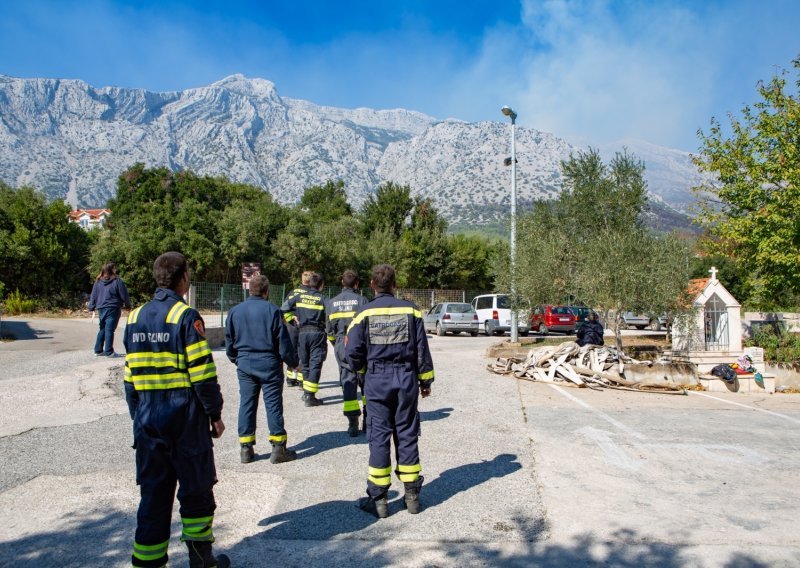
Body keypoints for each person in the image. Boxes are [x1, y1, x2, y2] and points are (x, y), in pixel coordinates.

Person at [123, 252, 229, 568]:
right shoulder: (185, 316)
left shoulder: (134, 317)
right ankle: (201, 559)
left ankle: (147, 562)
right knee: (196, 489)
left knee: (153, 495)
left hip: (148, 420)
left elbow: (130, 377)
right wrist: (215, 414)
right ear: (183, 278)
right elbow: (202, 373)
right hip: (184, 420)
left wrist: (138, 418)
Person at [346, 264, 435, 518]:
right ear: (395, 285)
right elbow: (421, 350)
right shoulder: (411, 311)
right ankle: (412, 497)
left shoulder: (363, 313)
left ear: (372, 285)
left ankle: (379, 501)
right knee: (407, 432)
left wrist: (363, 373)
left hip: (377, 380)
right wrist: (425, 381)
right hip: (406, 379)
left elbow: (352, 352)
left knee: (379, 435)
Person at [225, 273, 300, 465]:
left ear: (250, 290)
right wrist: (292, 362)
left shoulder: (235, 311)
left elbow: (229, 343)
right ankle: (278, 448)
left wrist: (238, 360)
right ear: (266, 292)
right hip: (269, 363)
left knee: (247, 404)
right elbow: (283, 342)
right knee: (273, 404)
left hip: (245, 364)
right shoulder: (273, 311)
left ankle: (246, 449)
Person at [326, 270, 369, 437]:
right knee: (366, 384)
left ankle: (352, 424)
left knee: (348, 384)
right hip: (359, 345)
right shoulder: (361, 300)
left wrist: (337, 344)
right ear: (356, 284)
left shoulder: (332, 302)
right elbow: (366, 326)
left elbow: (329, 331)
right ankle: (368, 420)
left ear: (342, 283)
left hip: (341, 345)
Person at [281, 271, 328, 407]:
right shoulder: (323, 298)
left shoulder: (298, 296)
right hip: (317, 333)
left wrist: (291, 319)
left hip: (302, 332)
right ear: (321, 285)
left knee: (305, 361)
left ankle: (306, 392)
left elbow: (283, 309)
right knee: (315, 362)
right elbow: (331, 314)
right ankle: (310, 396)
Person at [87, 261, 131, 357]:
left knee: (103, 328)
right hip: (113, 307)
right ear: (112, 269)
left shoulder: (98, 281)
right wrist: (128, 305)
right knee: (110, 329)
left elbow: (93, 295)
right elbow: (124, 294)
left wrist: (91, 307)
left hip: (101, 307)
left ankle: (98, 350)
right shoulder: (117, 280)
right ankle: (109, 351)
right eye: (115, 268)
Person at [283, 271, 312, 388]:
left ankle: (290, 378)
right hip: (305, 327)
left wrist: (291, 319)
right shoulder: (311, 294)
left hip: (292, 327)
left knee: (292, 351)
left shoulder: (293, 292)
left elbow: (284, 309)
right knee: (304, 352)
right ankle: (301, 379)